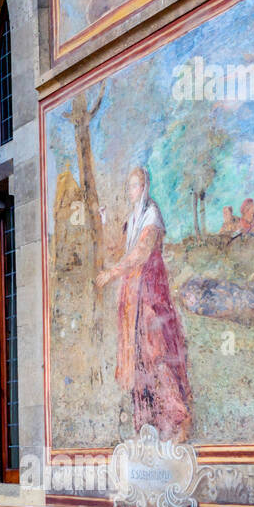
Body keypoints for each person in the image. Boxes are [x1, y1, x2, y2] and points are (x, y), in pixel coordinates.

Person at [95, 165, 194, 442]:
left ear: (145, 187)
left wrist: (112, 273)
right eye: (129, 186)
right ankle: (148, 424)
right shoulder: (133, 218)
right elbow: (120, 250)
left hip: (150, 292)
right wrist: (104, 222)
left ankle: (179, 420)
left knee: (157, 353)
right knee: (138, 359)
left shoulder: (152, 215)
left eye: (135, 186)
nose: (131, 191)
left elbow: (139, 254)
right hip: (132, 296)